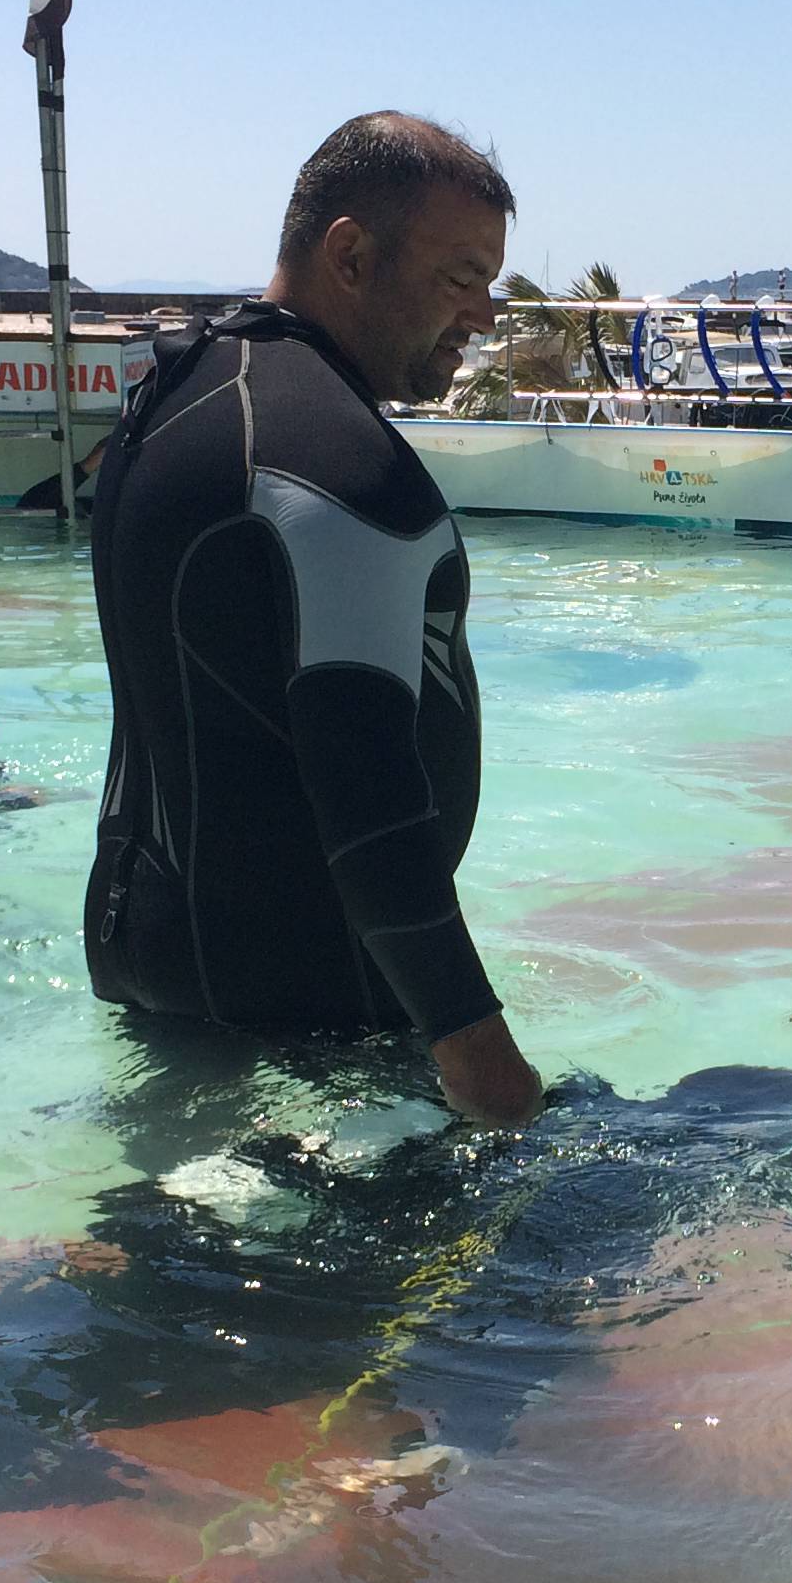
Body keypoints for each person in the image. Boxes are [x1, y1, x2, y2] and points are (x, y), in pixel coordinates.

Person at [84, 111, 543, 1127]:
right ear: (351, 253)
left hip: (150, 952)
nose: (480, 319)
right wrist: (476, 1047)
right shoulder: (339, 466)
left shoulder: (175, 396)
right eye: (460, 280)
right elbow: (369, 793)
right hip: (311, 1005)